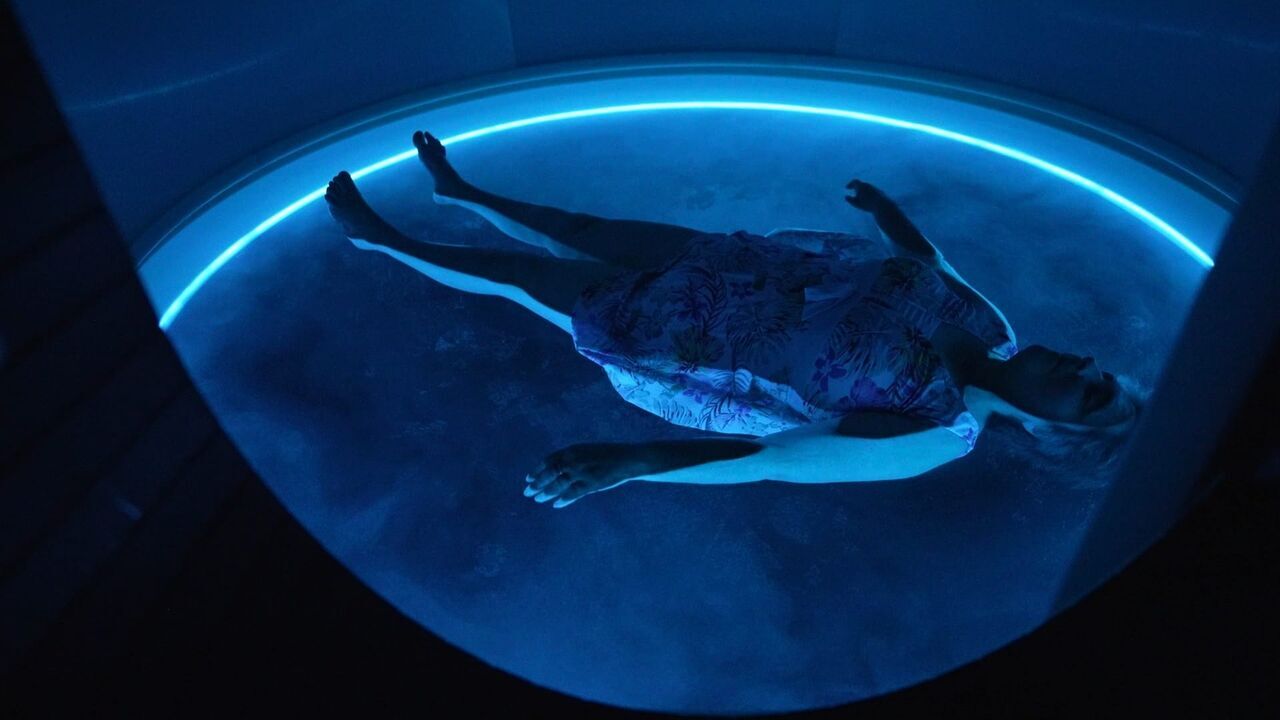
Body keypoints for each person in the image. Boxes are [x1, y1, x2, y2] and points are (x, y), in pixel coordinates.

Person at [324, 130, 1145, 510]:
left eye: (1088, 394)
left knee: (523, 278)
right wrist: (885, 211)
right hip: (741, 266)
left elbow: (772, 462)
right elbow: (930, 263)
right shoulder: (993, 325)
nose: (1083, 365)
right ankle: (461, 192)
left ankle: (381, 241)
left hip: (690, 333)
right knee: (580, 227)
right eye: (1100, 371)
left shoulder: (932, 435)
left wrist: (636, 462)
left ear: (1047, 432)